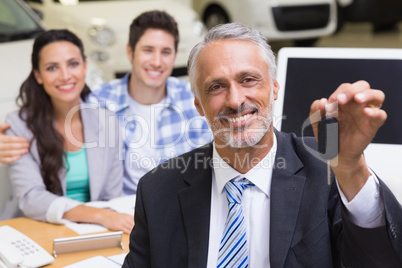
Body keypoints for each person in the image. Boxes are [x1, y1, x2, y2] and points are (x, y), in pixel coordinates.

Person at [122, 23, 402, 267]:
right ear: (198, 104)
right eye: (216, 87)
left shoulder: (327, 170)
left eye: (248, 80)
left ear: (274, 86)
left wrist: (352, 169)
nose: (234, 100)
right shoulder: (157, 190)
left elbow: (381, 261)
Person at [0, 10, 212, 196]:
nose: (157, 61)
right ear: (130, 52)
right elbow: (46, 116)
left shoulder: (193, 100)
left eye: (166, 52)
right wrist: (5, 139)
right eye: (148, 50)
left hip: (184, 206)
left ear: (175, 55)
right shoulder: (97, 101)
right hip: (126, 210)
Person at [5, 29, 134, 234]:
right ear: (38, 75)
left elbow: (112, 197)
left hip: (95, 231)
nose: (65, 76)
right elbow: (32, 198)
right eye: (52, 68)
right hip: (36, 230)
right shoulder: (19, 125)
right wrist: (100, 216)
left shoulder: (107, 121)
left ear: (84, 66)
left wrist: (104, 219)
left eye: (73, 64)